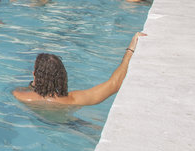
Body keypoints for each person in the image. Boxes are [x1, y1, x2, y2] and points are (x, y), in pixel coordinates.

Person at [13, 33, 144, 106]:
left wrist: (34, 84)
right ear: (62, 76)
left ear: (35, 74)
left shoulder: (20, 96)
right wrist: (130, 50)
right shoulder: (73, 100)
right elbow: (114, 84)